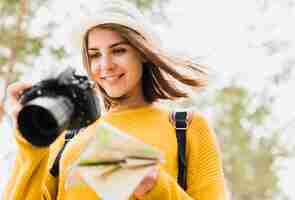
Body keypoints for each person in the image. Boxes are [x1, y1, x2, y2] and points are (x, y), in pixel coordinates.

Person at [3, 1, 226, 199]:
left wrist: (154, 186)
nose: (105, 65)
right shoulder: (69, 137)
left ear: (142, 53)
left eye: (118, 51)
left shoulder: (186, 127)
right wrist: (29, 144)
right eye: (95, 55)